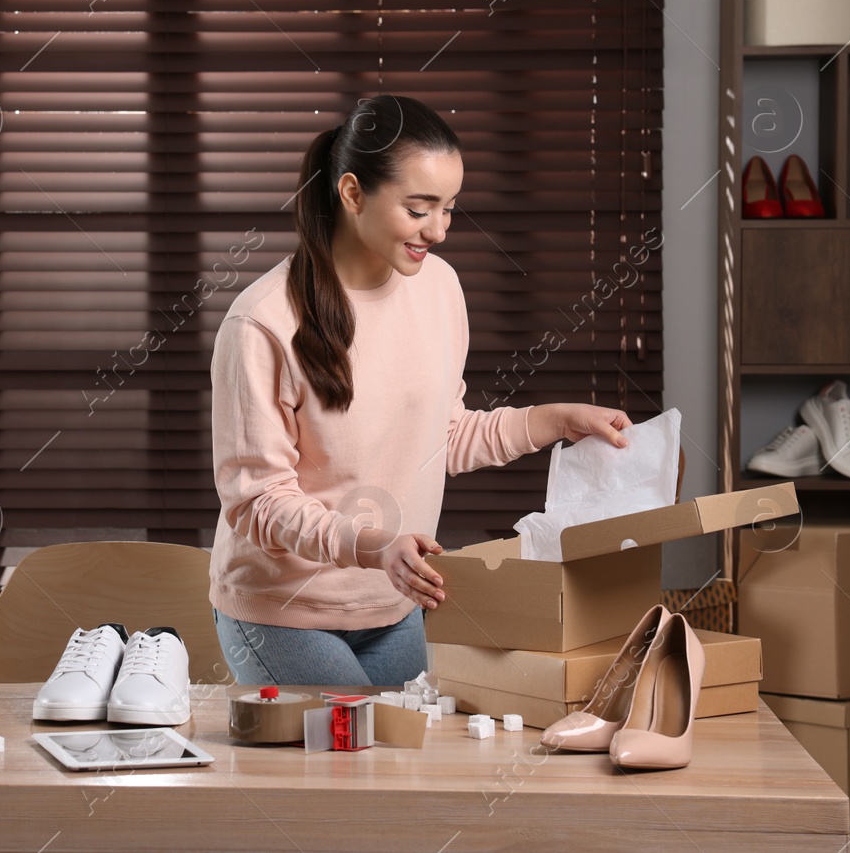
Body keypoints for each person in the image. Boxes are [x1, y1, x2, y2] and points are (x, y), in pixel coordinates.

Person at [209, 94, 631, 687]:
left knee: (404, 771)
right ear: (352, 193)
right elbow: (256, 501)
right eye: (418, 209)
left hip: (394, 602)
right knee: (349, 765)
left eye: (450, 210)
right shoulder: (262, 321)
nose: (438, 231)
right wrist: (373, 544)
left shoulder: (439, 288)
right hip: (284, 612)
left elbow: (442, 435)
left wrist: (557, 420)